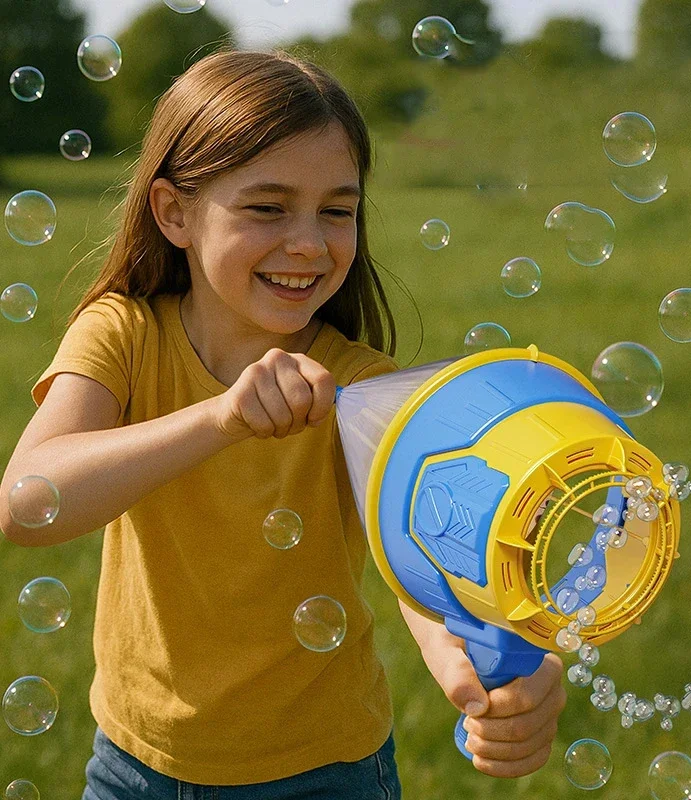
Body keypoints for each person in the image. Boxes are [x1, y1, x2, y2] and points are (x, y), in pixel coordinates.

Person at [0, 50, 565, 798]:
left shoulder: (360, 386)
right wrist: (221, 418)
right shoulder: (123, 335)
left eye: (337, 211)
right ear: (173, 212)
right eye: (267, 208)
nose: (309, 243)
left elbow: (423, 553)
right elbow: (28, 502)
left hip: (325, 771)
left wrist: (481, 668)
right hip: (134, 767)